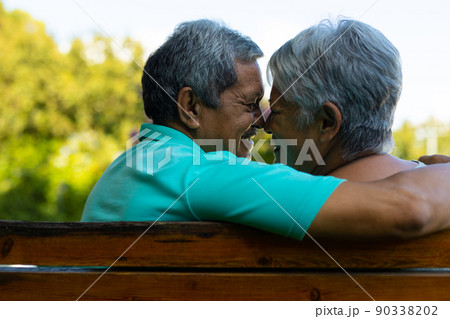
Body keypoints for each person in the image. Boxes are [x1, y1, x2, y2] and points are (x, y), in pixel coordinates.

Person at [82, 19, 450, 241]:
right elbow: (410, 208)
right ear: (191, 107)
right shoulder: (199, 174)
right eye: (249, 104)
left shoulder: (142, 161)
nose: (261, 120)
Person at [265, 19, 428, 182]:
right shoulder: (437, 182)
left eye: (276, 112)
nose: (264, 125)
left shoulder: (303, 204)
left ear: (327, 122)